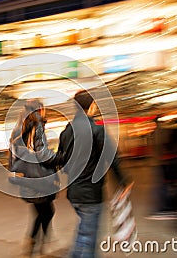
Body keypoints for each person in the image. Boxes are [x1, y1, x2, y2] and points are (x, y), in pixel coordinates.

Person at [55, 90, 129, 258]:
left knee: (83, 233)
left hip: (74, 194)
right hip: (91, 194)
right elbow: (112, 158)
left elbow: (62, 162)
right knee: (90, 241)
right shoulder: (97, 131)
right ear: (91, 106)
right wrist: (123, 181)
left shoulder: (66, 133)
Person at [8, 99, 58, 257]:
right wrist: (59, 159)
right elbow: (42, 153)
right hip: (41, 179)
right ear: (40, 110)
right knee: (47, 212)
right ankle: (39, 243)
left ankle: (34, 242)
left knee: (42, 212)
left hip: (26, 178)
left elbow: (13, 156)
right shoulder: (38, 125)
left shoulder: (18, 129)